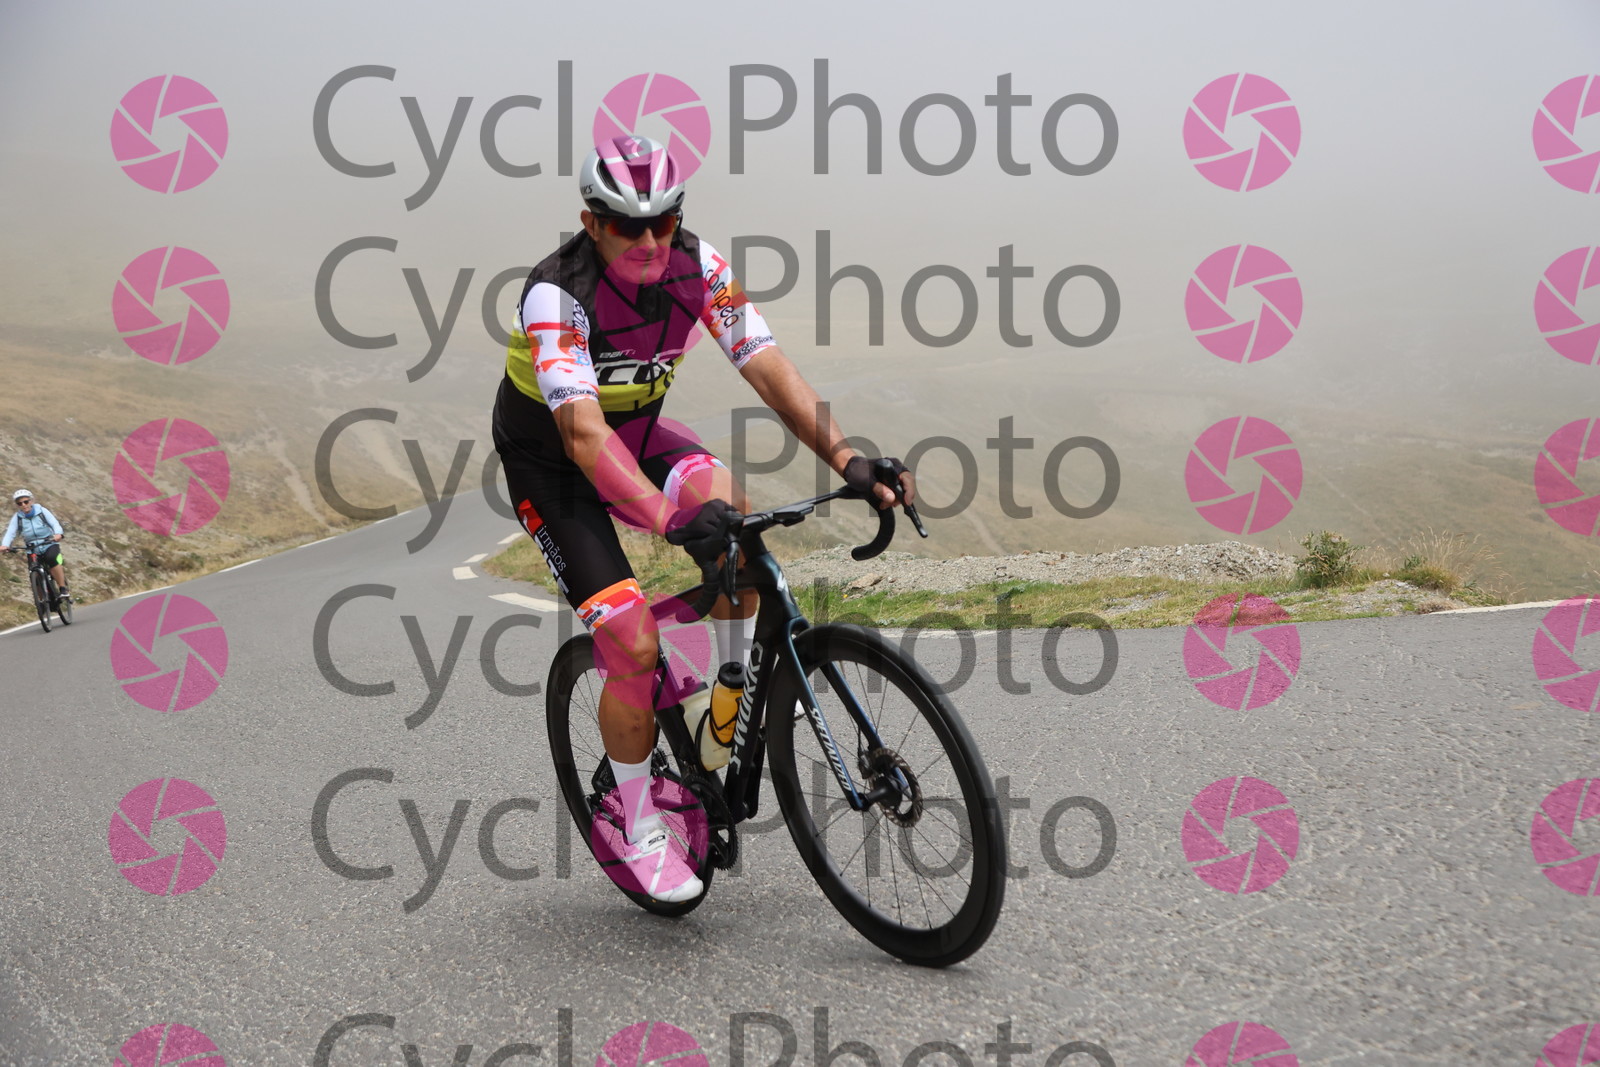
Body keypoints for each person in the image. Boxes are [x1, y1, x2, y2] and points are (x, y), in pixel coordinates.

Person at [492, 135, 914, 903]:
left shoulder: (700, 268)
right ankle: (636, 818)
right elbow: (583, 434)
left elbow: (768, 367)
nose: (651, 241)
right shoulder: (556, 295)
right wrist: (665, 519)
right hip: (554, 466)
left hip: (639, 436)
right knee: (631, 640)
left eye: (665, 221)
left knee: (738, 522)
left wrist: (848, 458)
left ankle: (727, 693)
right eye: (629, 225)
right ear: (592, 223)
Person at [4, 489, 69, 600]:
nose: (23, 505)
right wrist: (5, 545)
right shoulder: (17, 517)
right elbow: (10, 532)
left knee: (52, 559)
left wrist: (58, 534)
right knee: (34, 572)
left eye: (26, 502)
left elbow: (54, 523)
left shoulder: (42, 511)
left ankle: (63, 588)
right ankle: (42, 601)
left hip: (49, 543)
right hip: (32, 548)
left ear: (31, 501)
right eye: (19, 503)